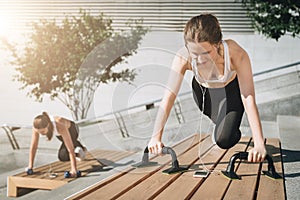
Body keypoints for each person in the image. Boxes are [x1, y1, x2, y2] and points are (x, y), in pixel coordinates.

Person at [148, 14, 267, 163]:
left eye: (206, 53)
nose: (200, 60)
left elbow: (248, 97)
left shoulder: (236, 54)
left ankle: (229, 129)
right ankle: (221, 125)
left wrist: (259, 143)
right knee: (220, 126)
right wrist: (155, 137)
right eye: (195, 54)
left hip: (231, 93)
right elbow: (168, 98)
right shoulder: (182, 57)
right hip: (204, 94)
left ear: (217, 44)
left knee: (224, 139)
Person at [27, 112, 86, 177]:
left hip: (73, 130)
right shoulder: (36, 128)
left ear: (48, 126)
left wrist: (74, 169)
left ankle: (79, 146)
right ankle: (79, 148)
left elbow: (70, 150)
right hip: (60, 135)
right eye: (39, 132)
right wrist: (30, 166)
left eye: (43, 132)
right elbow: (33, 147)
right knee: (62, 157)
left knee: (65, 153)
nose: (41, 134)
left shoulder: (59, 125)